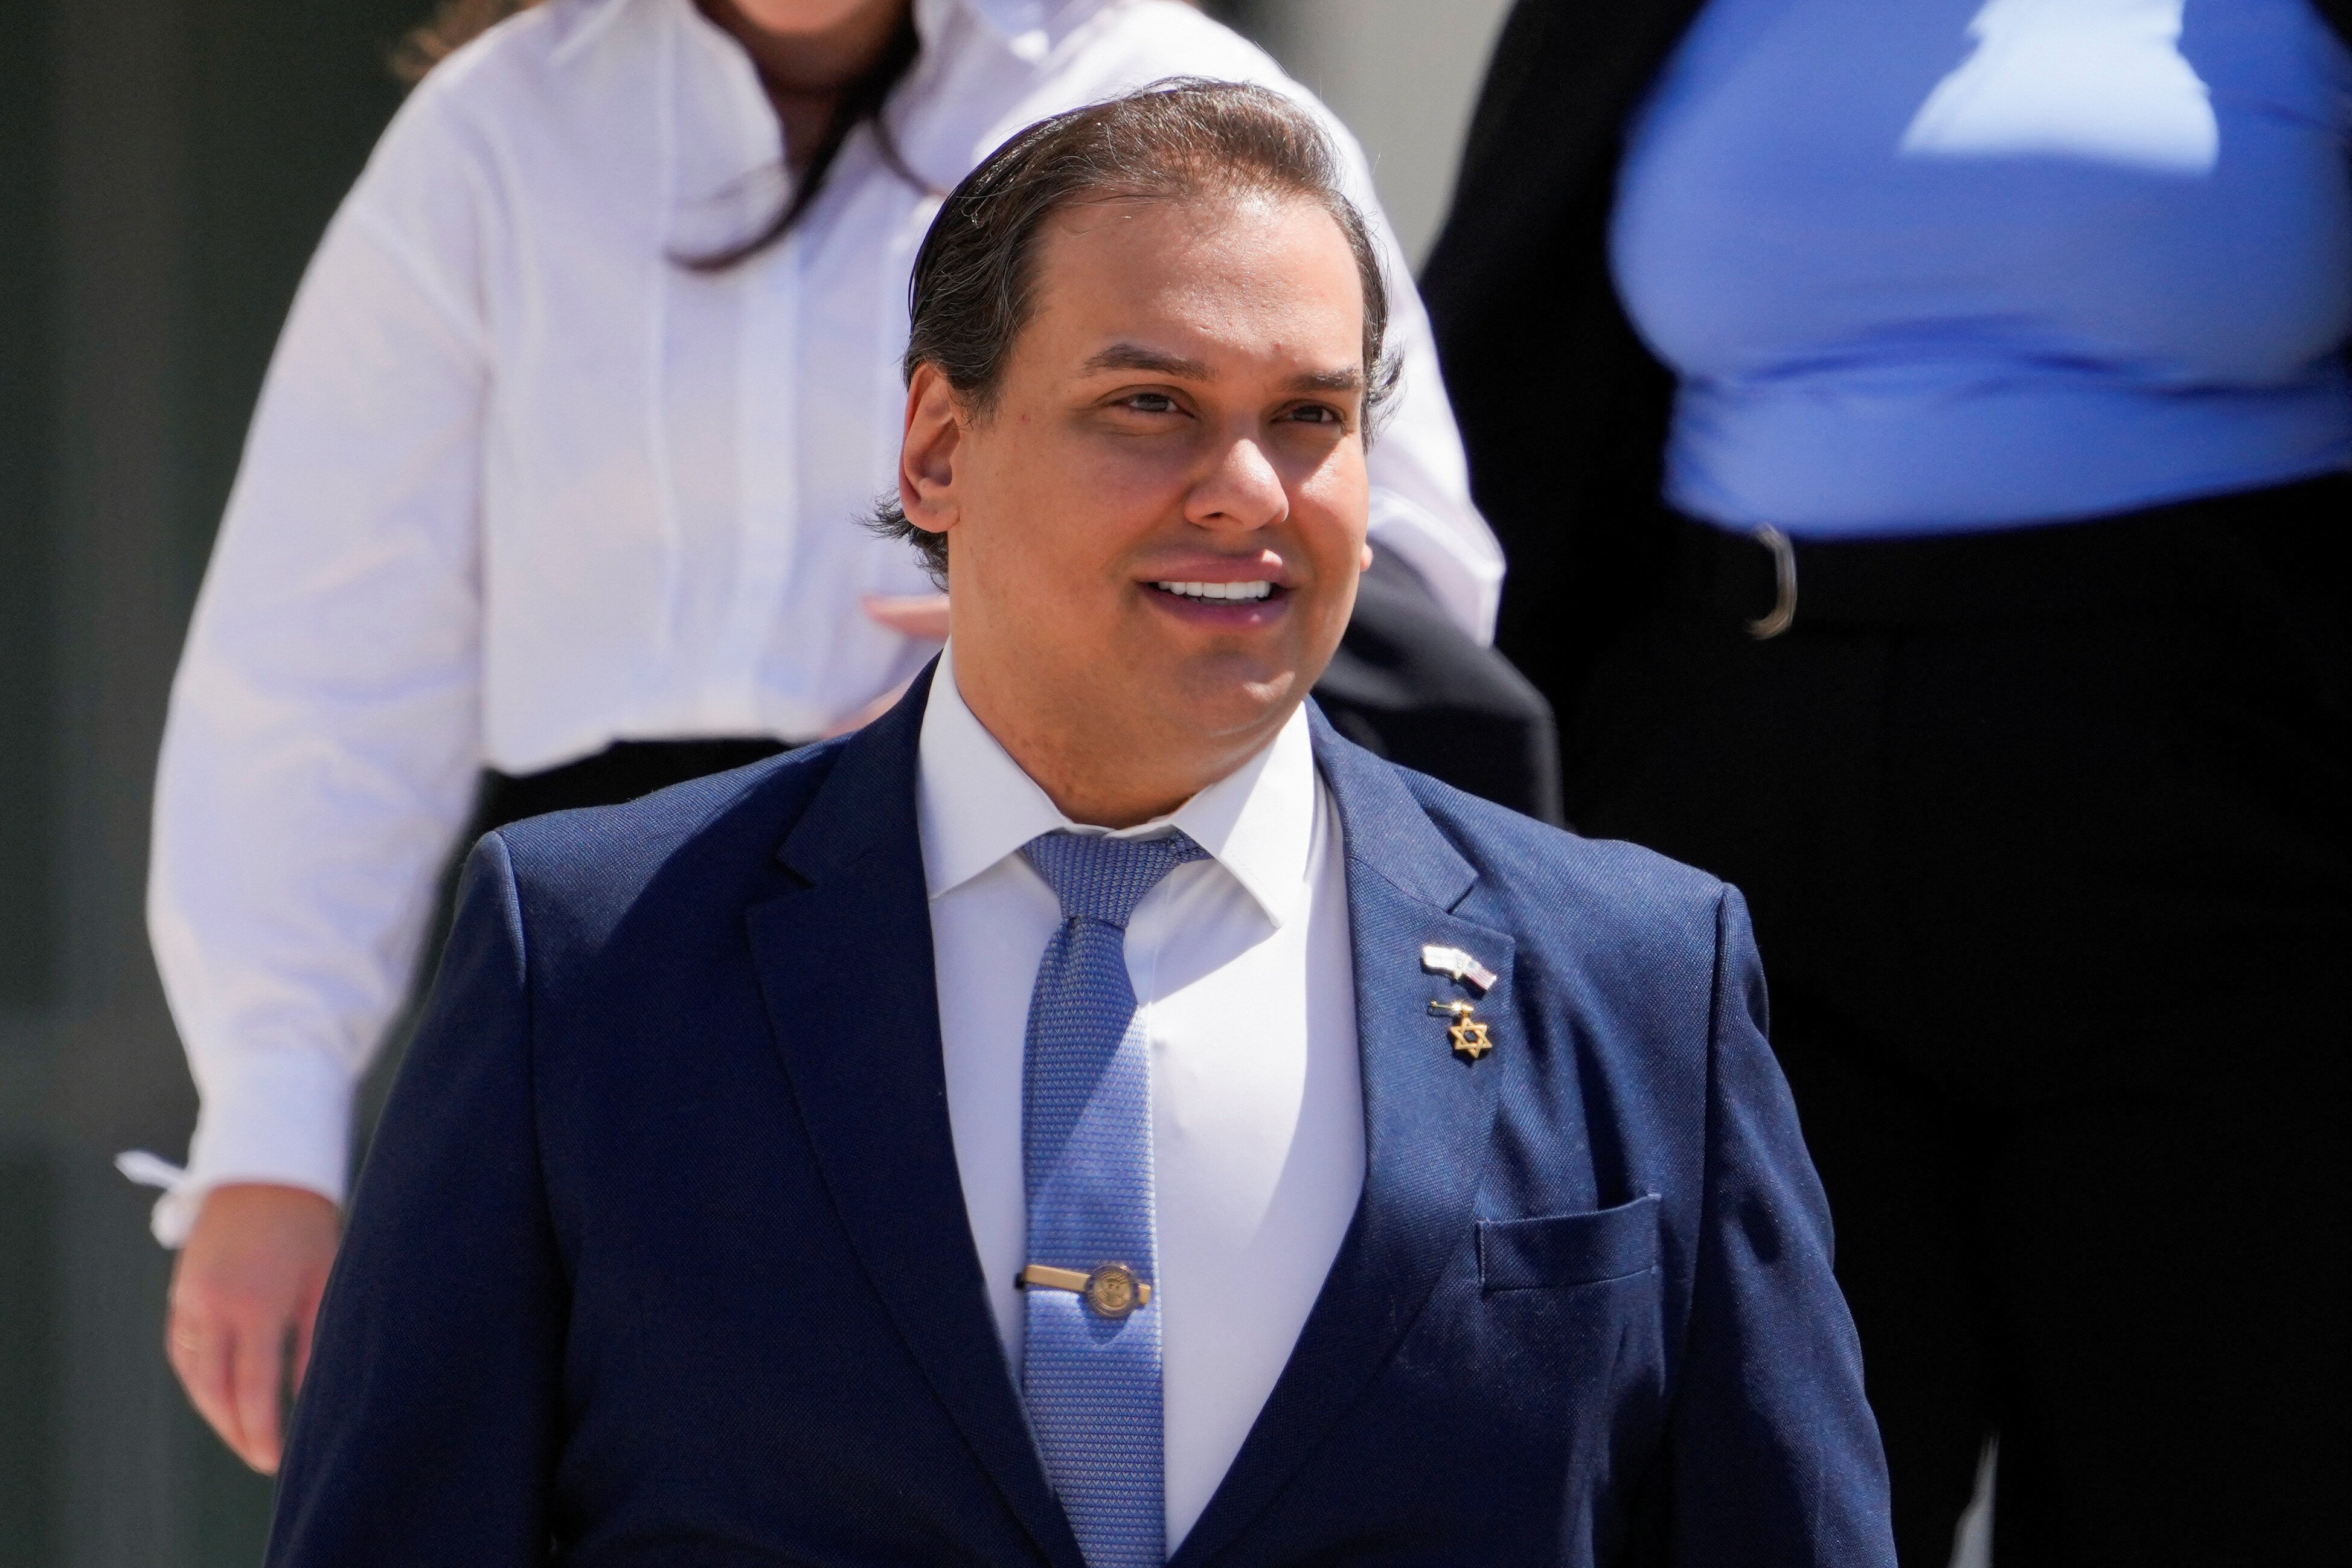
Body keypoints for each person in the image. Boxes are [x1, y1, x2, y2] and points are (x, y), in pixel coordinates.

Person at [264, 82, 1892, 1567]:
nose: (1250, 486)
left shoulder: (1636, 978)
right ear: (940, 442)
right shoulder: (593, 962)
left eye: (1313, 416)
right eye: (1153, 403)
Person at [139, 0, 1546, 1478]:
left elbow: (1407, 586)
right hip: (621, 970)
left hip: (1051, 908)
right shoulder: (503, 126)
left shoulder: (1172, 95)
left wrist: (1048, 678)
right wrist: (269, 1127)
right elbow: (329, 656)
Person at [1423, 1, 2349, 1563]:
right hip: (1740, 802)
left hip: (2226, 810)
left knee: (2225, 1476)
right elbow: (1514, 368)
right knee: (1756, 1493)